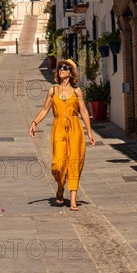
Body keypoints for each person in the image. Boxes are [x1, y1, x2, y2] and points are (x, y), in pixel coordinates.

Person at [29, 59, 95, 211]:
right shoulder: (53, 91)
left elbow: (83, 111)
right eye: (60, 68)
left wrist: (89, 132)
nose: (61, 70)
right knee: (58, 163)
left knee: (74, 161)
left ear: (71, 73)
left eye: (65, 68)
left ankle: (72, 199)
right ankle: (60, 187)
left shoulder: (77, 91)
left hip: (75, 128)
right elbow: (45, 109)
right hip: (58, 128)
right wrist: (34, 123)